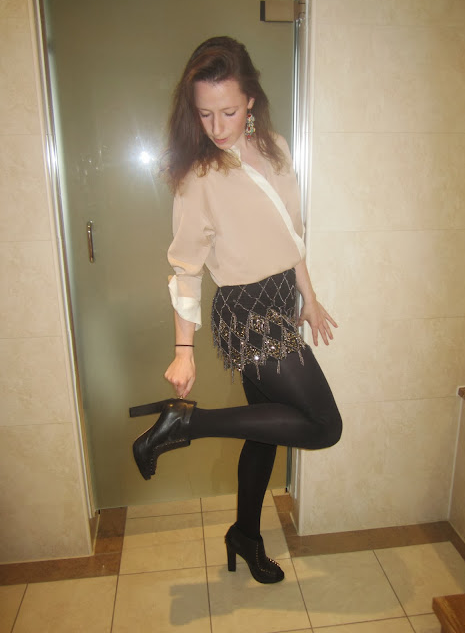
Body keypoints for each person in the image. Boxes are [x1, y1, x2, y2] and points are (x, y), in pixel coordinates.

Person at [131, 36, 342, 584]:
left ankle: (245, 535)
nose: (217, 126)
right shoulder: (197, 177)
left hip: (281, 299)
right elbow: (185, 269)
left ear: (250, 100)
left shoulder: (276, 148)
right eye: (205, 114)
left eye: (227, 111)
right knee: (324, 425)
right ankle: (188, 421)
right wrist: (183, 350)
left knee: (264, 434)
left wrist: (309, 297)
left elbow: (291, 233)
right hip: (245, 312)